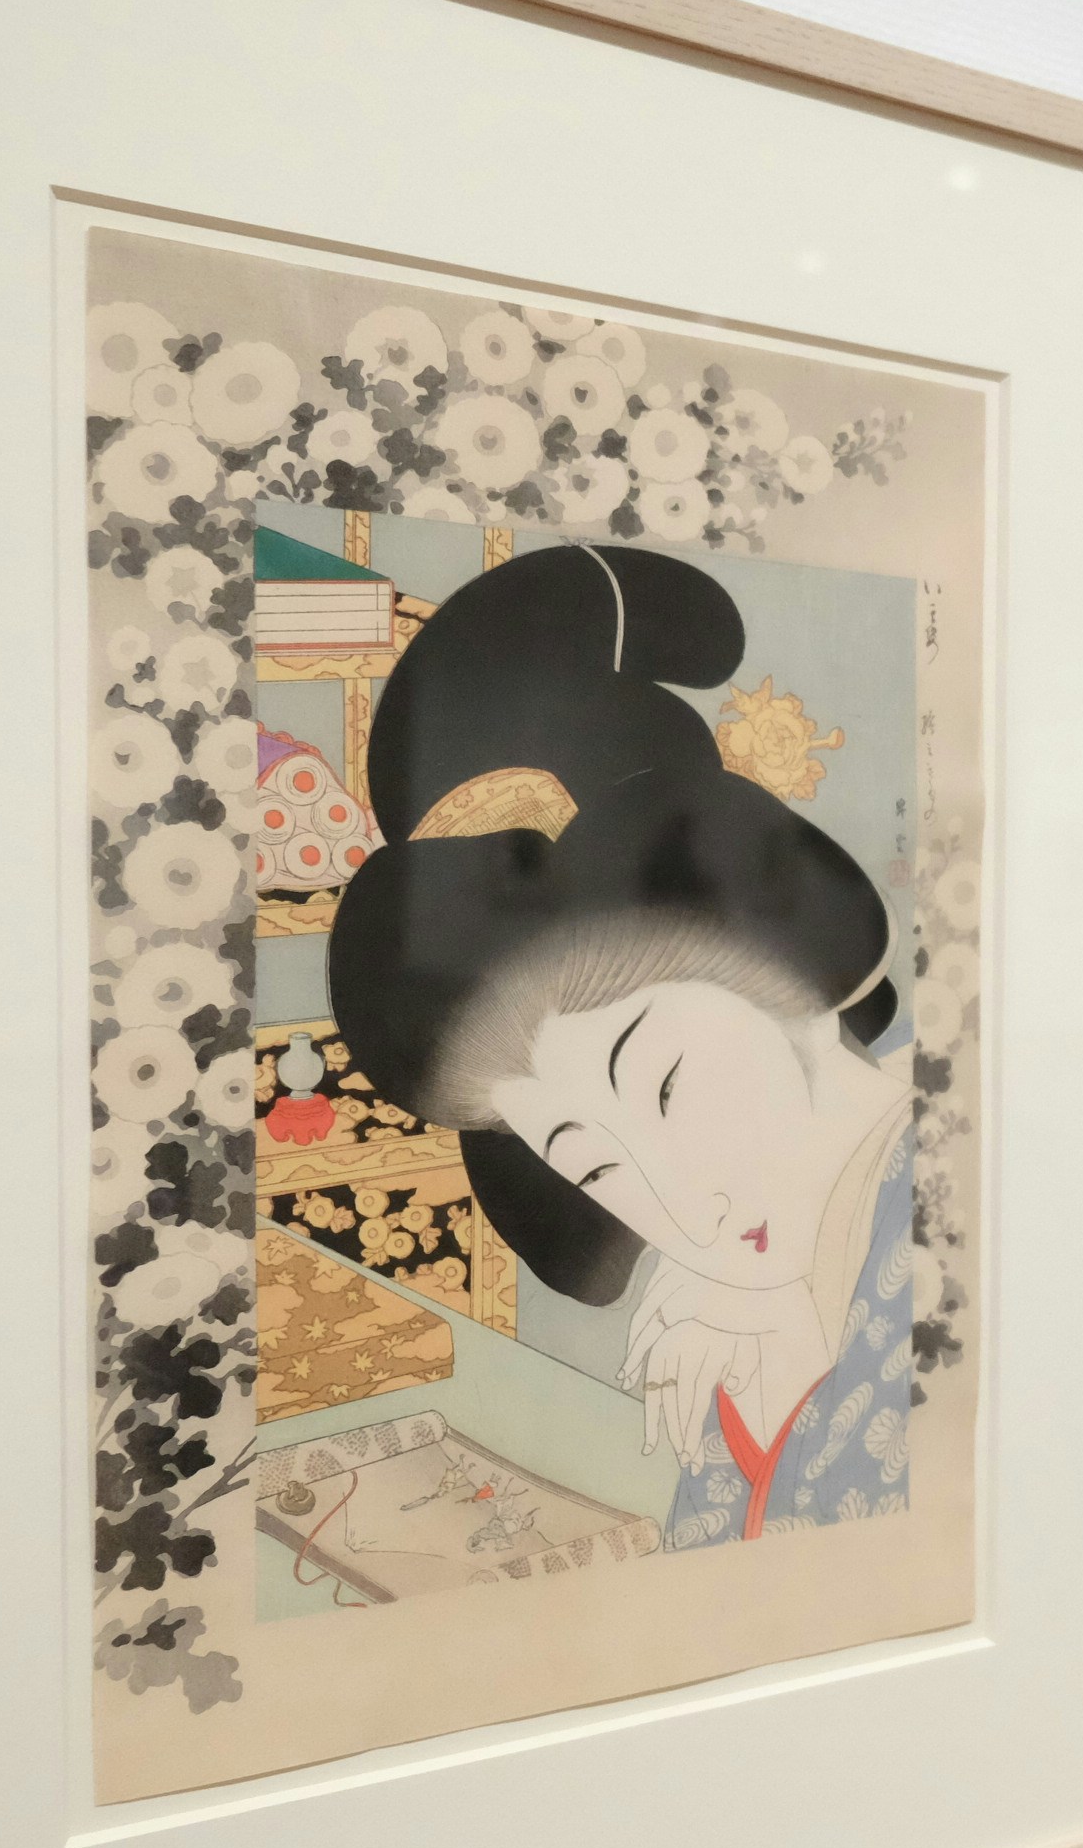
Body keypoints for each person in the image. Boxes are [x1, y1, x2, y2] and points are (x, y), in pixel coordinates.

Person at [330, 542, 915, 1547]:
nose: (687, 1212)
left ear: (780, 955)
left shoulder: (940, 1200)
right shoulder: (728, 1310)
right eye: (594, 1165)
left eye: (669, 1086)